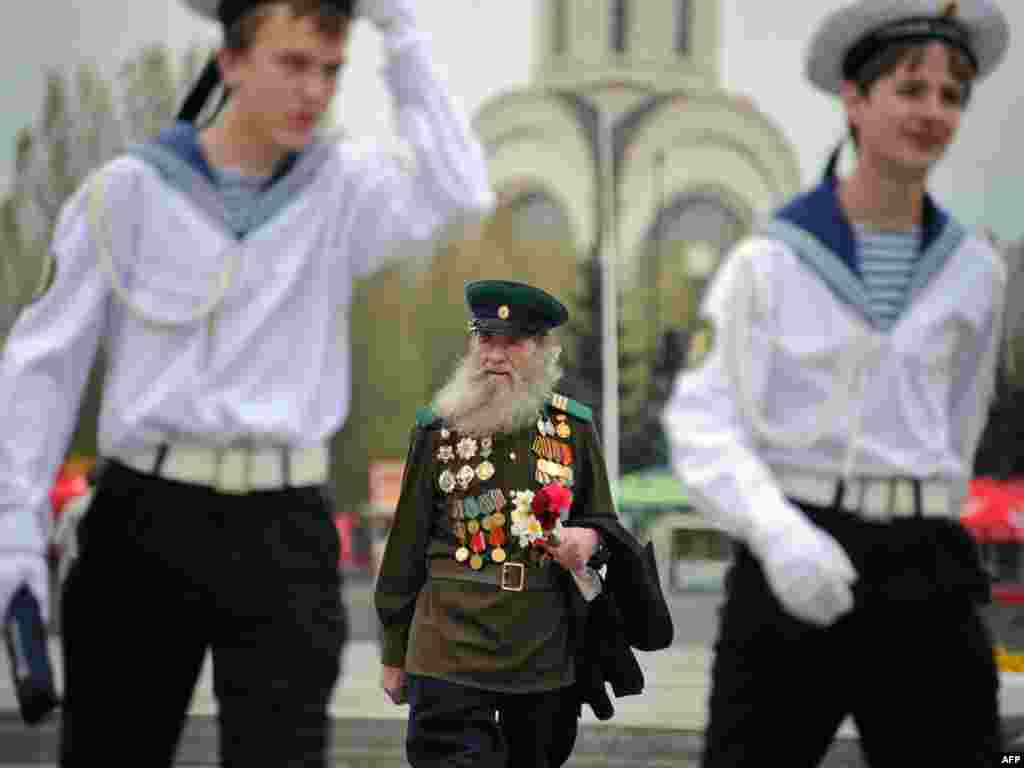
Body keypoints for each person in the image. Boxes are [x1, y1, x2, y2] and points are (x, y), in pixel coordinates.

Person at [0, 0, 492, 764]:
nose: (315, 92)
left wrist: (400, 31)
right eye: (292, 65)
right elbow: (41, 369)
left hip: (284, 530)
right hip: (142, 521)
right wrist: (15, 534)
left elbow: (462, 194)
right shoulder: (125, 193)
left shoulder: (344, 190)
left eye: (330, 71)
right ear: (229, 61)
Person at [661, 1, 1009, 766]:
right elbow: (702, 422)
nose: (933, 112)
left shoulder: (974, 270)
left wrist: (924, 517)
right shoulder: (771, 261)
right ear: (854, 99)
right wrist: (780, 536)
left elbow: (959, 422)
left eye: (952, 95)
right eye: (910, 88)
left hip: (927, 567)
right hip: (796, 552)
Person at [375, 279, 673, 768]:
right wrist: (393, 651)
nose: (494, 354)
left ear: (542, 350)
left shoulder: (572, 429)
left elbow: (604, 526)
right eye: (485, 338)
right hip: (448, 645)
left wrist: (587, 539)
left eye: (511, 342)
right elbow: (405, 547)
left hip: (543, 651)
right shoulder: (436, 431)